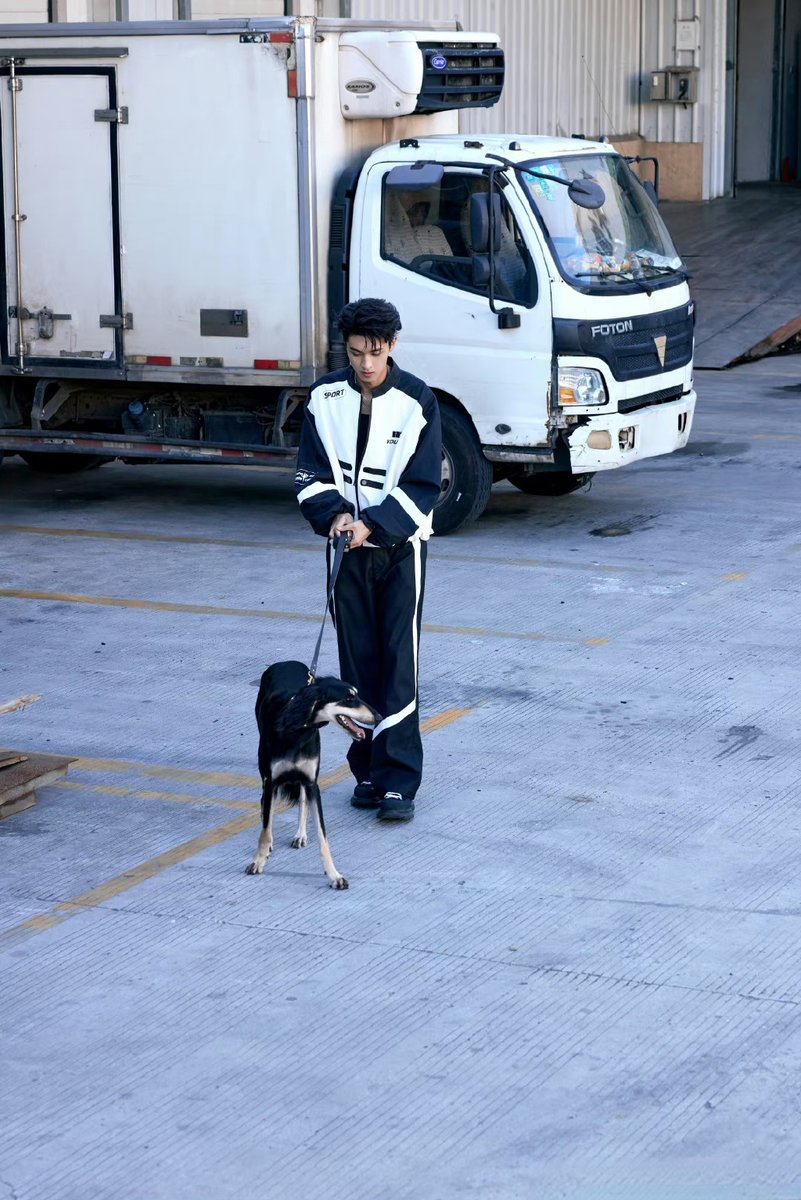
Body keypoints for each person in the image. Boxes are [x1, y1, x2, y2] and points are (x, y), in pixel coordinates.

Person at [294, 297, 442, 822]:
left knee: (400, 663)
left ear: (393, 345)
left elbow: (425, 483)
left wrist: (373, 524)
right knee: (356, 666)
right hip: (344, 552)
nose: (366, 364)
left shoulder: (418, 400)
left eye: (376, 353)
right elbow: (308, 473)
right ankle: (368, 774)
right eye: (356, 353)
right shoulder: (324, 397)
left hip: (399, 552)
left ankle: (400, 781)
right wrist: (335, 516)